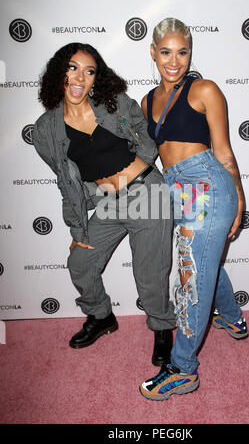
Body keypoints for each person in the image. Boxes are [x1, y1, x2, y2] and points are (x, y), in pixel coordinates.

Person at [32, 42, 176, 366]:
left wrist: (137, 167)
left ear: (96, 78)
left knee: (150, 274)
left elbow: (147, 134)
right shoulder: (45, 130)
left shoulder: (114, 104)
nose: (79, 77)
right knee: (80, 264)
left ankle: (163, 329)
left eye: (89, 71)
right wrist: (78, 228)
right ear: (59, 72)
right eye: (72, 67)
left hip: (146, 193)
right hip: (108, 204)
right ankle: (101, 317)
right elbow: (66, 180)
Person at [139, 18, 249, 400]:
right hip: (176, 188)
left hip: (206, 184)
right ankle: (233, 319)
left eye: (182, 52)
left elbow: (223, 152)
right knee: (202, 263)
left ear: (190, 53)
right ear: (153, 52)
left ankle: (184, 370)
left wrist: (239, 199)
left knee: (190, 276)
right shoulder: (147, 100)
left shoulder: (204, 89)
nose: (174, 60)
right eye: (166, 51)